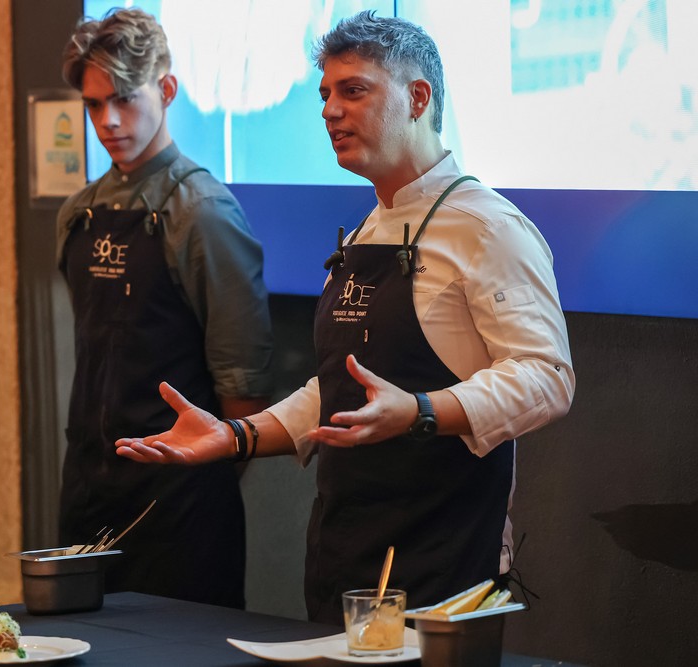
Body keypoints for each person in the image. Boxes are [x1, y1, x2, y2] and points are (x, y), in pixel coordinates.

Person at [116, 10, 575, 624]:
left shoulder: (490, 229)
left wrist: (420, 411)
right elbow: (335, 392)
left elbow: (547, 377)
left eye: (353, 90)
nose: (330, 110)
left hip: (445, 562)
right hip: (343, 558)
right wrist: (236, 437)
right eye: (326, 94)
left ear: (418, 98)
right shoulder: (367, 228)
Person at [55, 8, 273, 608]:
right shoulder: (77, 214)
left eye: (124, 98)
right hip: (88, 490)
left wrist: (191, 488)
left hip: (181, 506)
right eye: (94, 104)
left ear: (167, 90)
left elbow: (243, 391)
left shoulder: (203, 213)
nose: (109, 120)